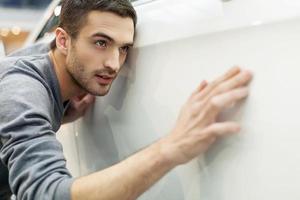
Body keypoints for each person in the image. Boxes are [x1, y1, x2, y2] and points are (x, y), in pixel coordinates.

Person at [0, 0, 253, 199]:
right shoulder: (21, 88)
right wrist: (172, 146)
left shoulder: (43, 63)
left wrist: (62, 107)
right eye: (101, 42)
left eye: (123, 49)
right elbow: (46, 194)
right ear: (63, 40)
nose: (113, 64)